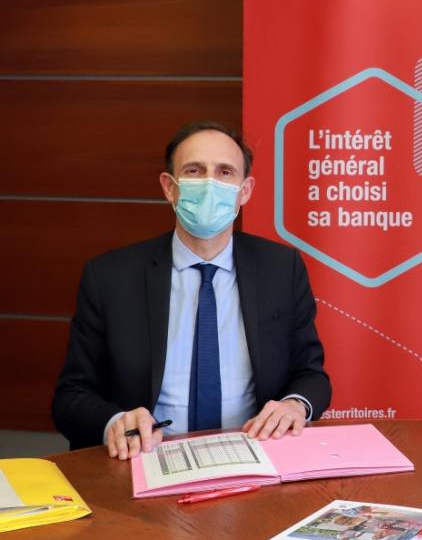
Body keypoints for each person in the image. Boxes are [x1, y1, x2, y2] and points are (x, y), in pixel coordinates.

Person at [52, 122, 332, 459]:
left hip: (254, 458)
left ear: (244, 191)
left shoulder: (281, 267)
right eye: (194, 170)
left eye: (225, 172)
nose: (209, 184)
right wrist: (114, 421)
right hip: (148, 461)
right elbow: (71, 397)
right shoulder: (110, 276)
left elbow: (311, 376)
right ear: (170, 187)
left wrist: (294, 405)